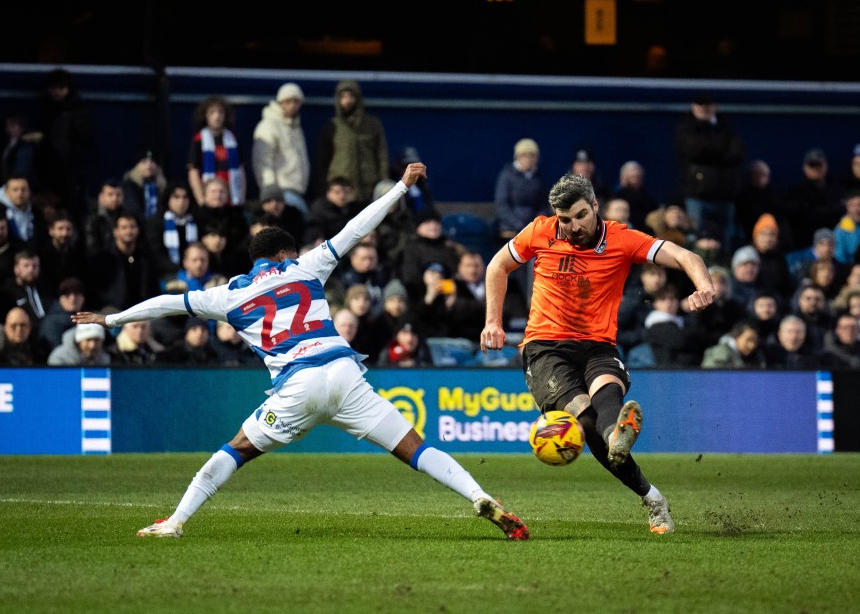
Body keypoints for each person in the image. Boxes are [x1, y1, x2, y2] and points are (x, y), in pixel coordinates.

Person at [71, 162, 528, 541]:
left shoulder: (227, 294)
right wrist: (400, 189)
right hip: (344, 372)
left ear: (255, 260)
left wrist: (111, 320)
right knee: (414, 446)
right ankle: (477, 495)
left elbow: (169, 303)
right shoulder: (307, 266)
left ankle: (175, 522)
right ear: (286, 253)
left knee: (235, 450)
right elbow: (357, 228)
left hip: (297, 383)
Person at [480, 173, 716, 535]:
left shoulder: (622, 239)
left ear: (595, 207)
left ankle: (615, 438)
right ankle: (652, 497)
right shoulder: (540, 231)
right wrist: (492, 322)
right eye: (565, 220)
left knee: (608, 396)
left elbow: (685, 255)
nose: (572, 227)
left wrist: (703, 286)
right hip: (545, 347)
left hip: (597, 345)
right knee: (585, 420)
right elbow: (498, 265)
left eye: (579, 216)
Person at [673, 91, 746, 254]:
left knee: (727, 238)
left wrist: (709, 150)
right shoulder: (686, 127)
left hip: (724, 195)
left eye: (707, 105)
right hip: (697, 195)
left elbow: (737, 153)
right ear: (693, 107)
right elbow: (694, 151)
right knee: (697, 237)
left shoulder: (725, 126)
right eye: (700, 105)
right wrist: (720, 150)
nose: (703, 109)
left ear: (714, 107)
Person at [313, 79, 389, 203]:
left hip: (368, 188)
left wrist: (382, 182)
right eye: (343, 97)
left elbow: (382, 156)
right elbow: (322, 161)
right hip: (341, 190)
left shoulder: (372, 125)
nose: (347, 101)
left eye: (351, 96)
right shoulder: (332, 126)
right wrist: (323, 190)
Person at [36, 68, 96, 223]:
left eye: (60, 88)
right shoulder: (46, 109)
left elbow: (86, 138)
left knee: (73, 207)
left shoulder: (78, 110)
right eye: (53, 88)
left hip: (72, 170)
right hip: (49, 168)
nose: (56, 92)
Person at [251, 83, 311, 216]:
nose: (292, 105)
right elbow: (262, 163)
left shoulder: (296, 128)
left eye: (296, 101)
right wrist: (272, 195)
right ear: (279, 103)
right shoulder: (268, 126)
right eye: (288, 101)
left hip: (297, 192)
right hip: (280, 195)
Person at [187, 95, 246, 206]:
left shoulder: (233, 138)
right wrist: (201, 200)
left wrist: (241, 198)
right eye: (212, 112)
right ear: (206, 116)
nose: (217, 116)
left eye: (220, 112)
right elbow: (193, 172)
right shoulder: (199, 139)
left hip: (232, 198)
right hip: (209, 198)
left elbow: (240, 169)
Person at [493, 138, 548, 241]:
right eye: (524, 155)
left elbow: (543, 206)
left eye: (532, 155)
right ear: (517, 157)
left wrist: (537, 224)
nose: (528, 159)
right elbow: (502, 206)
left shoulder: (539, 178)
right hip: (509, 230)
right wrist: (519, 225)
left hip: (533, 230)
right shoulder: (506, 175)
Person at [121, 151, 167, 223]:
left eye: (152, 161)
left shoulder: (163, 188)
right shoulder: (129, 186)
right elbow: (133, 209)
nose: (149, 165)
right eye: (144, 162)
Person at [612, 160, 657, 233]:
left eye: (638, 176)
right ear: (623, 176)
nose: (635, 175)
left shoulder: (648, 198)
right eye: (632, 176)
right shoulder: (617, 196)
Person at [700, 320, 764, 369]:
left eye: (755, 341)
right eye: (748, 340)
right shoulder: (719, 354)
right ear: (736, 337)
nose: (752, 345)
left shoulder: (756, 356)